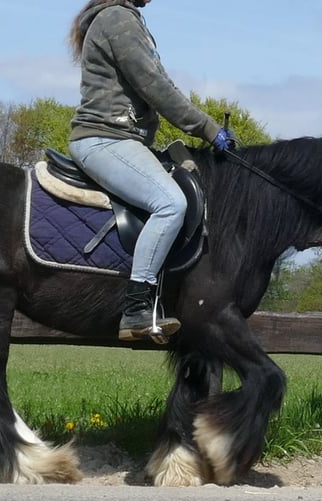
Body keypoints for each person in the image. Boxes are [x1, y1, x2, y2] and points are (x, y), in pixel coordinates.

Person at [67, 0, 236, 342]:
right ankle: (136, 308)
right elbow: (155, 88)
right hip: (104, 139)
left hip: (124, 140)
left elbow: (161, 82)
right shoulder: (118, 19)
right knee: (170, 203)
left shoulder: (129, 19)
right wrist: (207, 128)